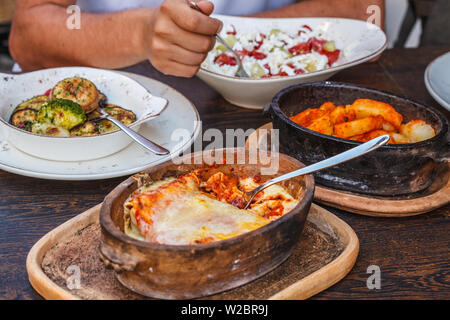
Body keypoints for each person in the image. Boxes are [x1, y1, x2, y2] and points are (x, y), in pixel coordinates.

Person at [9, 0, 384, 77]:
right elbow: (29, 37)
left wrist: (231, 33)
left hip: (281, 108)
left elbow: (362, 12)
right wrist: (140, 34)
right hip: (107, 110)